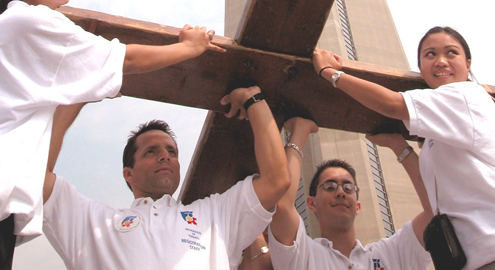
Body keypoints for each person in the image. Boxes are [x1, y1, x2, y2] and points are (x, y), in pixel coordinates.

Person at [0, 0, 224, 270]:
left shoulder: (9, 31)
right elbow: (125, 58)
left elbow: (74, 87)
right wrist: (189, 48)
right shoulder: (31, 21)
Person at [42, 85, 290, 270]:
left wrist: (253, 99)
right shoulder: (95, 223)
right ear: (129, 174)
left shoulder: (215, 216)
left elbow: (276, 179)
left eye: (172, 151)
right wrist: (79, 96)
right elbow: (37, 178)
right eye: (152, 151)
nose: (165, 156)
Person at [312, 26, 495, 270]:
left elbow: (393, 103)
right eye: (430, 55)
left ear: (468, 63)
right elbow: (433, 200)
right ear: (420, 67)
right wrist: (399, 146)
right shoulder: (440, 130)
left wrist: (331, 73)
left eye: (451, 53)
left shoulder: (465, 95)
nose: (441, 61)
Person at [269, 117, 432, 270]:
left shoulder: (390, 254)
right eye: (330, 186)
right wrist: (300, 132)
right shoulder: (303, 255)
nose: (341, 192)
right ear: (312, 203)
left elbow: (435, 211)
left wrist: (398, 145)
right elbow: (282, 205)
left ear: (358, 206)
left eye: (348, 188)